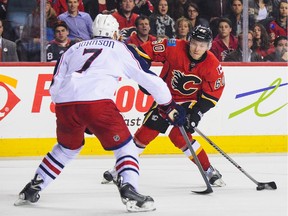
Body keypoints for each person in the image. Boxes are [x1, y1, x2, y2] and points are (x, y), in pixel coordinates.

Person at [14, 14, 186, 212]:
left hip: (65, 104)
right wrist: (169, 104)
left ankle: (34, 186)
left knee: (67, 148)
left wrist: (78, 114)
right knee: (126, 147)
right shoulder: (120, 47)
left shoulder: (72, 49)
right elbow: (147, 77)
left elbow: (54, 86)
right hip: (97, 103)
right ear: (114, 33)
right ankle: (129, 189)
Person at [102, 25, 226, 188]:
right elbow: (144, 52)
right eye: (195, 43)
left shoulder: (213, 65)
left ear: (208, 46)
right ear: (189, 40)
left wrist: (196, 114)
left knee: (179, 136)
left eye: (202, 45)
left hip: (190, 102)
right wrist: (144, 76)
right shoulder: (173, 46)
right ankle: (122, 168)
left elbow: (212, 94)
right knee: (145, 135)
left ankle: (209, 170)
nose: (197, 48)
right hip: (165, 99)